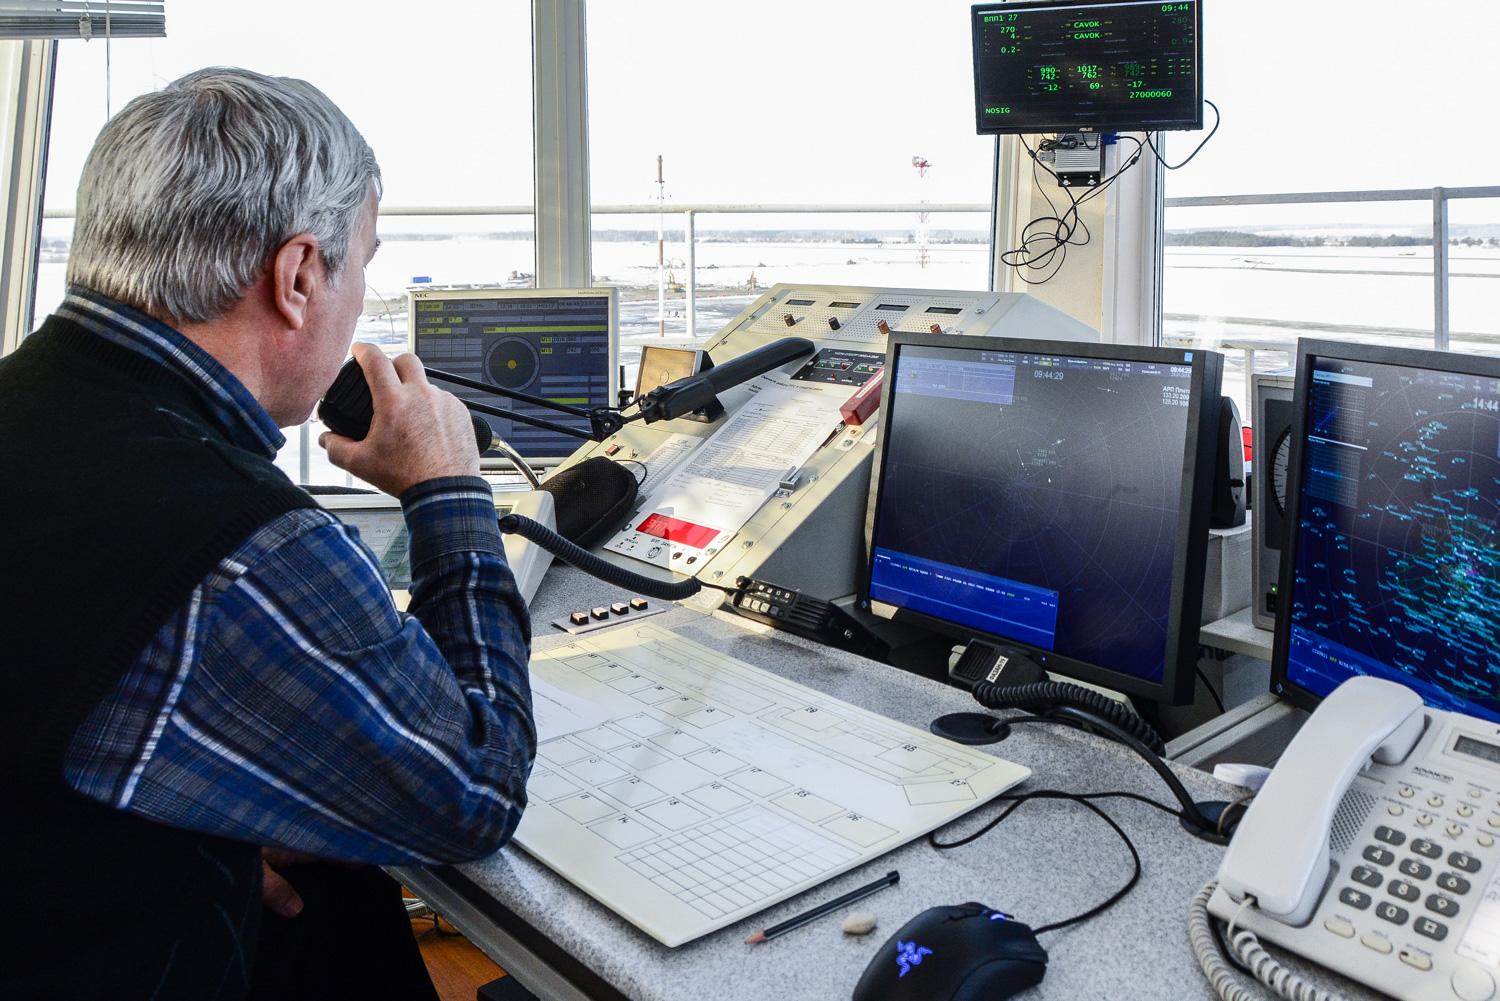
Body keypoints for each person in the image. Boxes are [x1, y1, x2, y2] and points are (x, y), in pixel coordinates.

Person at [0, 67, 536, 1000]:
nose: (358, 296)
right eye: (359, 264)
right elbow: (475, 791)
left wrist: (185, 833)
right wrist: (449, 491)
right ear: (296, 278)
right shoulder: (240, 545)